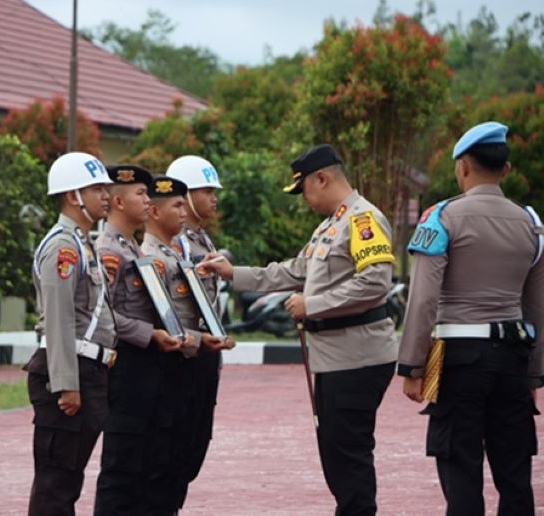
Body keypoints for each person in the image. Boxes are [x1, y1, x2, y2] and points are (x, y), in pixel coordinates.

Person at [200, 144, 398, 516]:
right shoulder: (331, 225)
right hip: (335, 357)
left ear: (322, 178)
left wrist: (313, 305)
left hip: (357, 357)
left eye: (304, 189)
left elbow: (375, 283)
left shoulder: (362, 220)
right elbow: (294, 271)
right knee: (335, 451)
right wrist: (235, 273)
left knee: (348, 453)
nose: (304, 200)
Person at [398, 121, 544, 516]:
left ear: (462, 167)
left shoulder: (442, 218)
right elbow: (536, 307)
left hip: (459, 358)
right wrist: (533, 375)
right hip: (513, 358)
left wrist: (412, 366)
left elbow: (423, 299)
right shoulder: (530, 223)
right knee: (515, 476)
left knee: (461, 468)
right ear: (506, 170)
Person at [94, 165, 194, 516]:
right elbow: (102, 312)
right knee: (121, 465)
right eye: (140, 194)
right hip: (127, 364)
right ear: (118, 201)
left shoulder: (134, 249)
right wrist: (148, 334)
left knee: (145, 461)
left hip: (149, 366)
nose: (148, 200)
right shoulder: (108, 249)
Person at [25, 151, 116, 516]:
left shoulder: (82, 243)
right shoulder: (64, 247)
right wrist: (66, 384)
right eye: (96, 189)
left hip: (88, 369)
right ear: (71, 195)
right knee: (55, 484)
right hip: (68, 371)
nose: (106, 196)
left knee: (68, 480)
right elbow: (59, 320)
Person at [141, 175, 234, 511]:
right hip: (176, 359)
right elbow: (157, 317)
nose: (183, 212)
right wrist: (198, 340)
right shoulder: (153, 254)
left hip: (199, 354)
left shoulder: (192, 246)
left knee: (189, 450)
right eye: (177, 204)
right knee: (164, 457)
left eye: (184, 203)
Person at [165, 156, 229, 508]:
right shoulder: (175, 243)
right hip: (186, 354)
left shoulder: (201, 239)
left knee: (196, 442)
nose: (214, 197)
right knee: (178, 446)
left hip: (206, 353)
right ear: (186, 195)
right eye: (207, 190)